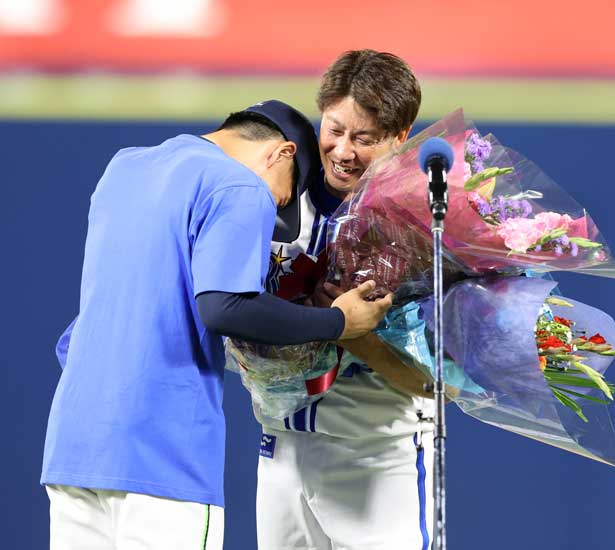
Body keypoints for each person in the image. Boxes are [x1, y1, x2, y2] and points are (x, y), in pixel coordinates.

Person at [41, 100, 392, 550]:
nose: (274, 207)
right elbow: (225, 305)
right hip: (163, 454)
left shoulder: (123, 169)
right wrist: (337, 321)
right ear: (281, 154)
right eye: (283, 196)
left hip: (73, 447)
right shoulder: (240, 184)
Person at [252, 51, 435, 550]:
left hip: (380, 458)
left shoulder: (426, 229)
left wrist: (353, 332)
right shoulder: (275, 196)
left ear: (401, 136)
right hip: (280, 452)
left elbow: (440, 385)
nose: (343, 151)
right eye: (335, 129)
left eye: (365, 138)